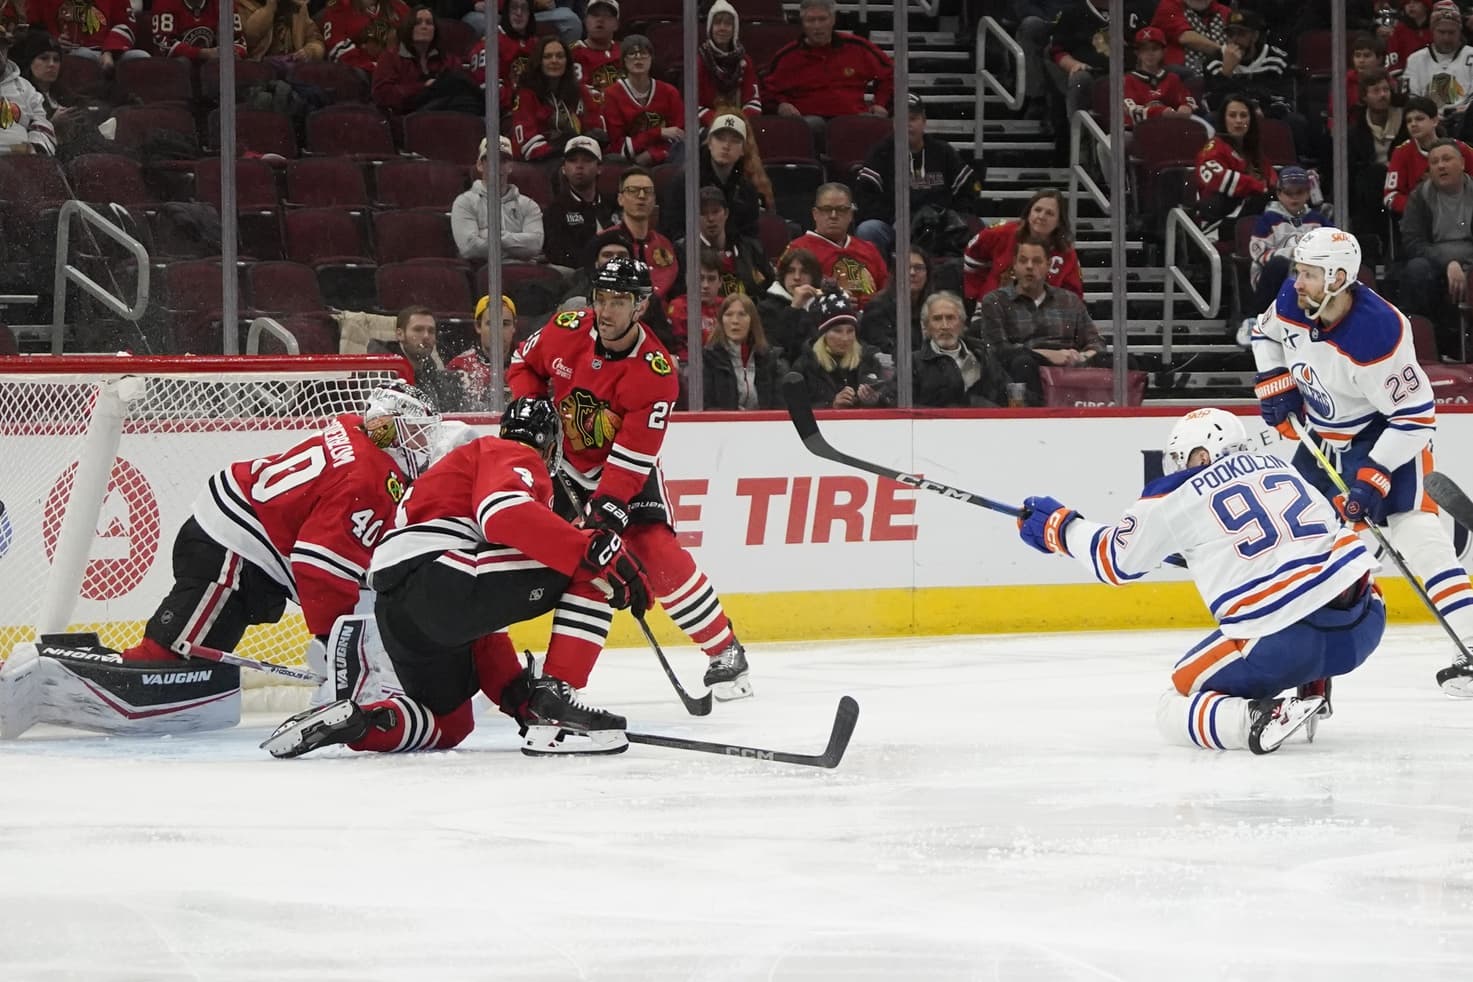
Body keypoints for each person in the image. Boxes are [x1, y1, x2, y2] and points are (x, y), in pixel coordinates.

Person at [261, 397, 651, 759]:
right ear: (550, 446)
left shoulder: (459, 471)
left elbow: (481, 625)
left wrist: (516, 696)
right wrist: (598, 552)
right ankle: (557, 698)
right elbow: (504, 514)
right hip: (437, 576)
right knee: (593, 564)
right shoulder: (513, 453)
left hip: (399, 609)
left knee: (449, 723)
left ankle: (361, 723)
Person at [1016, 408, 1383, 754]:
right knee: (1339, 572)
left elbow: (1114, 562)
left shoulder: (1175, 493)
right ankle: (1314, 680)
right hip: (1363, 628)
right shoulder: (1281, 468)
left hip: (1284, 646)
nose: (1180, 467)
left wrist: (1060, 528)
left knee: (1174, 703)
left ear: (1203, 455)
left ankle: (1255, 718)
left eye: (1183, 458)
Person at [508, 257, 753, 699]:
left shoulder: (656, 373)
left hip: (620, 467)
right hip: (558, 462)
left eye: (619, 301)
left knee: (654, 550)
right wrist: (535, 406)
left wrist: (607, 508)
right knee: (581, 564)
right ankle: (558, 679)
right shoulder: (566, 328)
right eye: (602, 297)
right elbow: (523, 363)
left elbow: (632, 456)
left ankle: (724, 649)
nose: (606, 309)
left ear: (640, 307)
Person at [1250, 226, 1473, 687]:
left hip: (1383, 437)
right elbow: (1263, 334)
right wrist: (1276, 383)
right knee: (1301, 540)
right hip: (1322, 439)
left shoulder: (1380, 331)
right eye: (1298, 271)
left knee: (1419, 543)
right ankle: (1299, 658)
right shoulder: (1295, 300)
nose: (1297, 281)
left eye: (1308, 273)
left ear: (1337, 277)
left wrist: (1375, 475)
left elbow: (1415, 415)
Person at [975, 236, 1105, 406]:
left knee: (1122, 362)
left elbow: (1097, 343)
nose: (1029, 266)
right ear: (1014, 264)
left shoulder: (1069, 300)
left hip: (1069, 366)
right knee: (1022, 363)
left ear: (1048, 265)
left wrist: (1080, 356)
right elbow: (997, 349)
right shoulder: (995, 301)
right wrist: (1047, 355)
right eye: (1023, 261)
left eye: (1036, 261)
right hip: (1022, 368)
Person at [854, 93, 979, 259]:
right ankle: (882, 279)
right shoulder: (881, 154)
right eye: (901, 119)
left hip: (939, 224)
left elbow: (968, 191)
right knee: (868, 229)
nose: (907, 125)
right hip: (895, 226)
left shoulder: (943, 152)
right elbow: (866, 198)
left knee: (974, 225)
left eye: (913, 118)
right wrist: (901, 218)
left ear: (924, 122)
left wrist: (948, 215)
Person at [763, 0, 892, 144]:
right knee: (812, 126)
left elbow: (891, 73)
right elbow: (767, 89)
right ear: (802, 24)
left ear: (833, 20)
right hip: (808, 121)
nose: (817, 26)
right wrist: (781, 104)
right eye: (811, 20)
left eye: (822, 19)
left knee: (874, 127)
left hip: (852, 118)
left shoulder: (857, 47)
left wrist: (881, 103)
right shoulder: (787, 56)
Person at [1239, 166, 1334, 345]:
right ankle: (1255, 319)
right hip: (1272, 277)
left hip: (1310, 276)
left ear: (1308, 193)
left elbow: (1333, 245)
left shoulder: (1318, 219)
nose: (1294, 197)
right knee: (1279, 265)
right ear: (1280, 193)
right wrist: (1293, 255)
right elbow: (1258, 252)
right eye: (1289, 192)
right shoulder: (1267, 219)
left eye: (1299, 192)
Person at [1398, 138, 1473, 352]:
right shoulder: (1419, 197)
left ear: (1462, 164)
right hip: (1435, 266)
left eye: (1447, 159)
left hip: (1470, 263)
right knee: (1416, 271)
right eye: (1434, 162)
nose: (1440, 165)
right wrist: (1449, 263)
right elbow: (1412, 244)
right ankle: (1427, 346)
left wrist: (1466, 268)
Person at [657, 112, 767, 243]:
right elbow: (673, 232)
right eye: (720, 138)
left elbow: (750, 238)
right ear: (709, 143)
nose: (726, 146)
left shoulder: (747, 190)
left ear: (743, 150)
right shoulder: (685, 183)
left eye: (734, 140)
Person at [962, 189, 1083, 305]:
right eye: (1037, 210)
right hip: (993, 308)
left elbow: (1073, 296)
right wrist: (977, 292)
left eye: (1049, 213)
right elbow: (972, 257)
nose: (1041, 216)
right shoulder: (1001, 233)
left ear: (1059, 222)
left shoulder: (1066, 253)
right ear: (1029, 212)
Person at [784, 183, 888, 308]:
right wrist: (830, 301)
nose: (833, 215)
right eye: (827, 209)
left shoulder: (869, 249)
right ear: (815, 214)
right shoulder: (798, 249)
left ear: (850, 214)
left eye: (841, 210)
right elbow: (787, 295)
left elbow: (887, 292)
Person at [510, 34, 605, 162]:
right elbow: (528, 146)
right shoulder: (526, 95)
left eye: (560, 56)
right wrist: (563, 148)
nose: (554, 61)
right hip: (543, 162)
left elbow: (595, 128)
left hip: (581, 157)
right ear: (539, 61)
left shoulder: (580, 91)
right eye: (547, 56)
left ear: (567, 61)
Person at [792, 290, 894, 409]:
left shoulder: (870, 359)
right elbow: (795, 410)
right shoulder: (806, 366)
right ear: (823, 334)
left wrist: (875, 401)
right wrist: (831, 406)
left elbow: (891, 399)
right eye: (837, 331)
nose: (845, 338)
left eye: (850, 331)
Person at [451, 135, 544, 262]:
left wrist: (488, 234)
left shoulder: (529, 205)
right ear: (480, 165)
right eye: (491, 159)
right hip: (485, 271)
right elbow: (469, 248)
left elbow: (535, 245)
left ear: (510, 166)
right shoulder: (464, 202)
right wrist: (516, 250)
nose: (497, 166)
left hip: (523, 270)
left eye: (503, 161)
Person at [1193, 94, 1275, 238]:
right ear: (1223, 119)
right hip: (1217, 221)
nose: (1238, 121)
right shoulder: (1214, 147)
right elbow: (1217, 179)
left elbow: (1271, 179)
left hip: (1248, 214)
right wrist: (1258, 186)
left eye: (1243, 115)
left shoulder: (1252, 150)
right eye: (1232, 115)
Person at [372, 6, 477, 115]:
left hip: (449, 111)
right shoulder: (390, 58)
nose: (424, 26)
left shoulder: (448, 59)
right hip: (408, 116)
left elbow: (464, 86)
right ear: (408, 27)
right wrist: (424, 87)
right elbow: (382, 95)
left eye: (429, 23)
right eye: (418, 22)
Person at [600, 33, 683, 166]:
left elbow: (680, 136)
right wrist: (658, 133)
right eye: (632, 54)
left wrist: (654, 154)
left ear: (651, 58)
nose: (638, 58)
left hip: (667, 159)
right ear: (624, 60)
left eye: (644, 53)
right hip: (628, 163)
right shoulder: (612, 94)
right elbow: (618, 147)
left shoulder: (669, 92)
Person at [679, 184, 773, 300]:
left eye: (715, 211)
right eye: (703, 213)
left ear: (726, 213)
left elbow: (769, 287)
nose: (711, 218)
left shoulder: (751, 248)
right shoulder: (684, 251)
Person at [912, 291, 1004, 408]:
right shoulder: (914, 362)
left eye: (950, 318)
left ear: (962, 323)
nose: (945, 326)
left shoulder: (981, 354)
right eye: (937, 319)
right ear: (927, 327)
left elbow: (1007, 392)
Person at [1383, 95, 1473, 214]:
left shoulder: (1461, 149)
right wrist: (1420, 207)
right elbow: (1390, 196)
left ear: (1435, 121)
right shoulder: (1400, 153)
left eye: (1419, 119)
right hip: (1418, 219)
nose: (1413, 124)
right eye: (1409, 121)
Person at [542, 134, 613, 271]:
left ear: (599, 168)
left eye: (586, 160)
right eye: (573, 161)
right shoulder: (555, 210)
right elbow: (557, 255)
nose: (579, 166)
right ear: (563, 169)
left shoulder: (614, 204)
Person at [369, 305, 462, 411]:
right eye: (418, 330)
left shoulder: (433, 374)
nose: (426, 336)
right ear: (400, 335)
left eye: (431, 331)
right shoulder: (382, 375)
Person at [702, 293, 784, 410]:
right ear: (721, 321)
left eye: (742, 314)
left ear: (752, 321)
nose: (735, 321)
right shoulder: (709, 358)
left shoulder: (769, 358)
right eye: (729, 314)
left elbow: (779, 407)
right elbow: (707, 406)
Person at [609, 166, 679, 301]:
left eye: (647, 191)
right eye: (633, 190)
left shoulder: (665, 244)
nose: (641, 196)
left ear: (654, 200)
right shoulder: (606, 241)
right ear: (620, 199)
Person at [1348, 68, 1406, 230]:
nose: (1383, 95)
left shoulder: (1407, 121)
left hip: (1403, 178)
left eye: (1386, 90)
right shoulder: (1355, 130)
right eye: (1376, 91)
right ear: (1364, 97)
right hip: (1372, 186)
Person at [1403, 0, 1473, 120]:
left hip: (1466, 122)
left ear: (1460, 31)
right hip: (1429, 123)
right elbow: (1411, 98)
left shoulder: (1470, 55)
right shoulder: (1416, 59)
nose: (1446, 38)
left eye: (1451, 32)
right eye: (1441, 32)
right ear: (1432, 31)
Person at [28, 0, 147, 70]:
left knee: (140, 57)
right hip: (69, 54)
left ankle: (136, 106)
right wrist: (54, 41)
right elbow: (34, 29)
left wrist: (109, 51)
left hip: (112, 52)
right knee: (83, 55)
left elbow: (126, 24)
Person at [859, 246, 934, 356]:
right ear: (896, 273)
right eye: (906, 267)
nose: (912, 273)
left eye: (919, 268)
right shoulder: (877, 308)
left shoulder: (934, 305)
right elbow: (885, 349)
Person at [696, 0, 761, 127]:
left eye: (727, 24)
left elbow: (753, 100)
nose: (722, 28)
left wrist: (740, 121)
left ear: (734, 29)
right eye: (717, 23)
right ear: (710, 28)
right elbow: (692, 104)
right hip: (708, 125)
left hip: (741, 124)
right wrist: (718, 121)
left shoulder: (745, 61)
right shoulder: (699, 61)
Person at [446, 294, 516, 411]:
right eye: (491, 323)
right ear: (478, 326)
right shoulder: (459, 366)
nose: (498, 330)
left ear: (514, 327)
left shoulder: (529, 365)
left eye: (505, 324)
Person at [465, 0, 535, 113]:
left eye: (524, 8)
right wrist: (519, 102)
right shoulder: (489, 44)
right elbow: (488, 90)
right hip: (503, 113)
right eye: (514, 8)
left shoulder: (537, 45)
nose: (519, 13)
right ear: (506, 12)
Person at [1124, 26, 1199, 128]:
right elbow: (1130, 109)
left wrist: (1186, 107)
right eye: (1144, 49)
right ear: (1138, 53)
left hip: (1169, 128)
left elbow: (1188, 99)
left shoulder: (1172, 78)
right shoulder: (1129, 80)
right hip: (1137, 130)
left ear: (1164, 51)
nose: (1150, 54)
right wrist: (1160, 111)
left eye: (1154, 49)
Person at [0, 25, 54, 155]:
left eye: (1, 47)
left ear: (7, 49)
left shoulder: (25, 88)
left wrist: (33, 150)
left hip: (21, 164)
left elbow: (43, 128)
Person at [759, 246, 823, 356]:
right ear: (783, 275)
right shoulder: (766, 308)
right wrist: (794, 308)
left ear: (814, 277)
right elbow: (777, 347)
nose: (797, 277)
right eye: (791, 271)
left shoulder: (823, 304)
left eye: (804, 272)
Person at [315, 0, 406, 73]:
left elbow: (412, 40)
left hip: (400, 74)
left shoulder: (397, 6)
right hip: (359, 79)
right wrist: (375, 68)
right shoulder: (338, 8)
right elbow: (337, 50)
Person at [666, 248, 723, 361]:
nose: (705, 285)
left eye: (711, 279)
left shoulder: (727, 307)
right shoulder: (679, 307)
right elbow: (679, 349)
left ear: (720, 282)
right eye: (700, 278)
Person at [1150, 0, 1232, 77]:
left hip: (1220, 72)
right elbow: (1186, 37)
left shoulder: (1225, 12)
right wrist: (1223, 51)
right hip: (1181, 76)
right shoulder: (1169, 5)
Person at [151, 0, 245, 61]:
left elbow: (240, 43)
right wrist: (203, 53)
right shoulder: (165, 2)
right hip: (177, 70)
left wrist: (233, 52)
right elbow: (164, 47)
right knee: (182, 62)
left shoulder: (224, 3)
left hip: (213, 68)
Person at [238, 0, 324, 62]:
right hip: (257, 73)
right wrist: (270, 8)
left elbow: (316, 40)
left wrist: (309, 52)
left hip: (292, 74)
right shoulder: (241, 4)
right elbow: (248, 39)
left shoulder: (297, 7)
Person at [569, 0, 621, 92]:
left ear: (616, 24)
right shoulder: (572, 52)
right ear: (585, 21)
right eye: (595, 15)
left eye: (607, 15)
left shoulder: (625, 51)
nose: (600, 19)